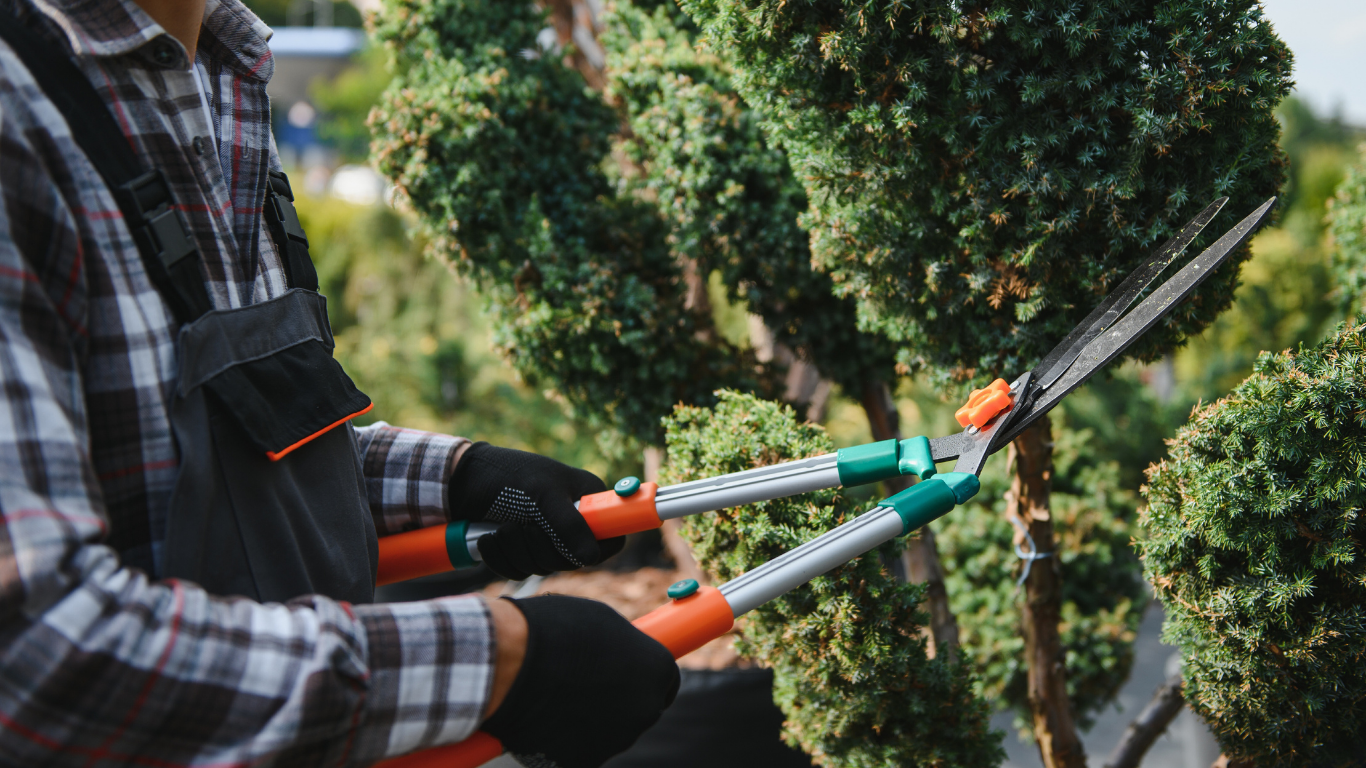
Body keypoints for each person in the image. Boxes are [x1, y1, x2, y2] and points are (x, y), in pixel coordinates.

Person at [0, 0, 679, 765]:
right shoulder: (17, 109)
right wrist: (504, 659)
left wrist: (459, 477)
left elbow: (222, 442)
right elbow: (34, 653)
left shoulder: (223, 71)